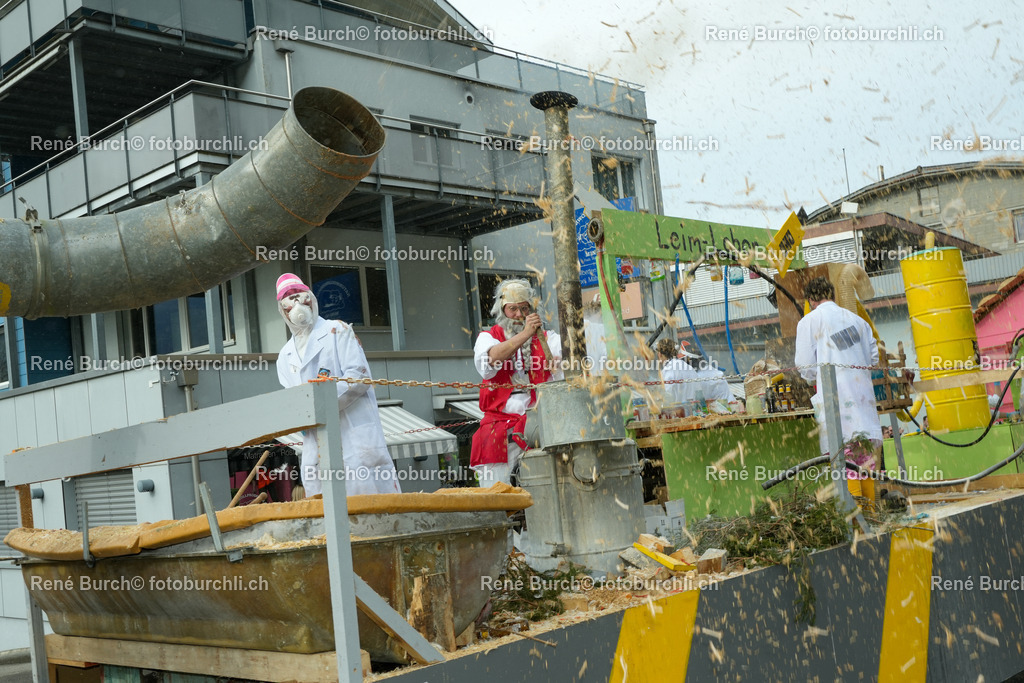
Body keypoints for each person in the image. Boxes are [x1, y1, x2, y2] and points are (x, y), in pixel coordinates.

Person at [275, 273, 401, 497]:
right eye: (288, 299)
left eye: (298, 295)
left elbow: (358, 377)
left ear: (311, 299)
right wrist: (301, 416)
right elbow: (292, 401)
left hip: (354, 439)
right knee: (326, 513)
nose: (295, 303)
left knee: (373, 509)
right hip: (317, 447)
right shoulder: (285, 356)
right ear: (282, 310)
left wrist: (320, 405)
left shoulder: (338, 330)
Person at [471, 279, 562, 485]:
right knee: (499, 494)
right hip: (501, 432)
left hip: (539, 429)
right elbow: (490, 360)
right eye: (512, 309)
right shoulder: (488, 337)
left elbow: (572, 358)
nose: (519, 315)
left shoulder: (549, 338)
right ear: (501, 309)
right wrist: (525, 334)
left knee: (545, 489)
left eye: (524, 308)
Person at [794, 276, 882, 482]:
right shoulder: (858, 321)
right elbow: (873, 359)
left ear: (810, 301)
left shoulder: (810, 321)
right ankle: (870, 509)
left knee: (842, 465)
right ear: (831, 295)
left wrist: (812, 376)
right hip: (863, 405)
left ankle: (853, 511)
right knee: (866, 463)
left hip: (837, 408)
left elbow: (805, 366)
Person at [655, 338, 697, 406]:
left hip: (676, 412)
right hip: (693, 411)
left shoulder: (667, 370)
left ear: (659, 354)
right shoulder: (689, 367)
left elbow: (667, 397)